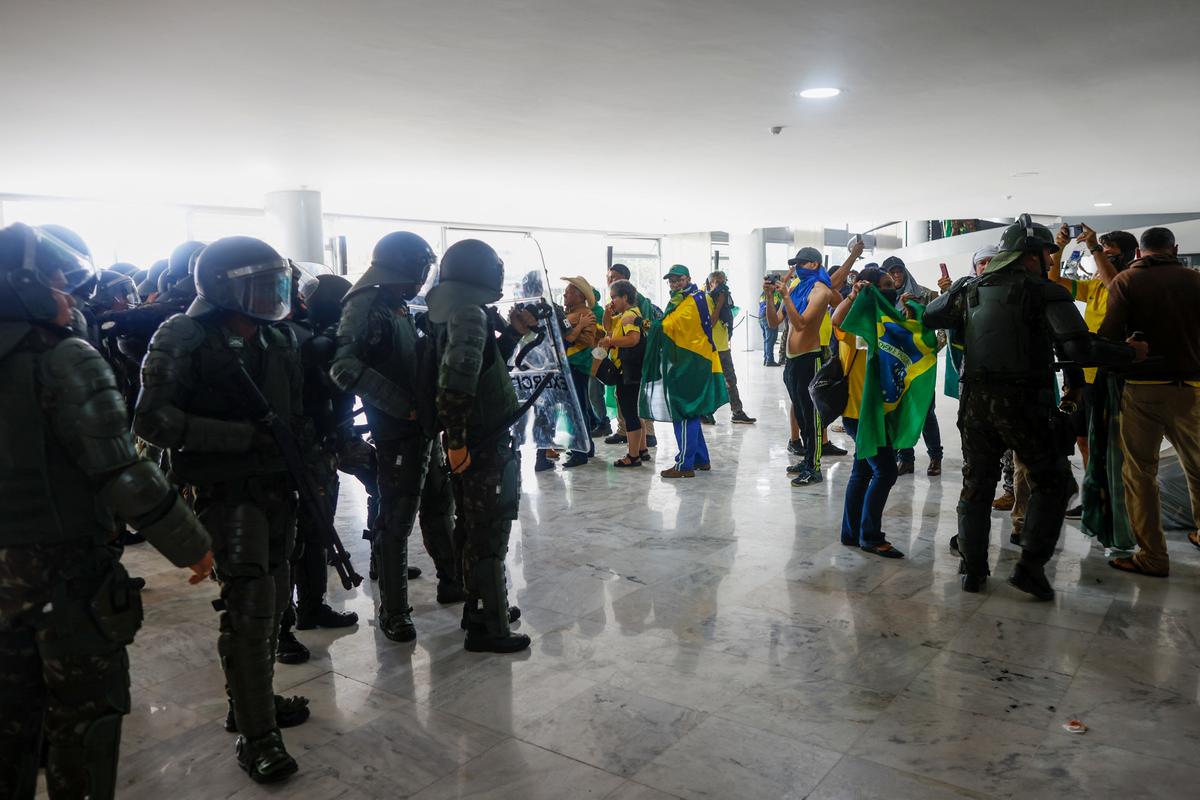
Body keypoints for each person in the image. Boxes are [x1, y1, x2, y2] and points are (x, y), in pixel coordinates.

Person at [0, 223, 214, 800]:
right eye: (56, 281)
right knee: (85, 718)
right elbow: (121, 469)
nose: (68, 294)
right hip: (64, 569)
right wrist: (191, 542)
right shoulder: (63, 357)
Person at [134, 236, 311, 782]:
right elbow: (152, 420)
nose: (271, 298)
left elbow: (295, 412)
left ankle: (250, 700)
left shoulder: (278, 336)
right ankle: (257, 736)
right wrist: (240, 439)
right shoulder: (184, 335)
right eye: (259, 288)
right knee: (251, 606)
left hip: (278, 486)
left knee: (278, 597)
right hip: (227, 490)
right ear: (220, 288)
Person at [924, 215, 1143, 598]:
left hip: (976, 403)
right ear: (1033, 255)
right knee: (1053, 481)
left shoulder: (972, 287)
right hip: (1024, 402)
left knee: (977, 484)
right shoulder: (1044, 292)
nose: (1048, 258)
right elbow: (1078, 348)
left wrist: (962, 286)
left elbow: (932, 315)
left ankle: (973, 571)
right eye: (1046, 252)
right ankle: (1029, 568)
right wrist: (1130, 352)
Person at [329, 232, 466, 644]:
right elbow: (344, 367)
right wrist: (402, 406)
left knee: (440, 505)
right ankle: (393, 610)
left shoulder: (395, 303)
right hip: (396, 430)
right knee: (396, 521)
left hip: (420, 426)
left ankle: (452, 580)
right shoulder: (365, 303)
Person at [425, 239, 530, 653]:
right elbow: (456, 381)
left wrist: (514, 335)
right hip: (481, 440)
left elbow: (486, 364)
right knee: (488, 534)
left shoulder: (458, 308)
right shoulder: (469, 313)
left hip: (477, 436)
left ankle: (482, 608)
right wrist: (458, 441)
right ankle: (489, 626)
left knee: (472, 528)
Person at [1099, 227, 1200, 578]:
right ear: (1174, 248)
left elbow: (1108, 337)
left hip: (1142, 389)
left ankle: (1153, 557)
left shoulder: (1126, 282)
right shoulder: (1195, 280)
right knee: (1198, 467)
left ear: (1140, 253)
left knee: (1140, 474)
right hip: (1191, 388)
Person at [275, 273, 359, 666]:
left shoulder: (309, 335)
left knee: (315, 534)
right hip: (287, 453)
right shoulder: (289, 338)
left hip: (316, 449)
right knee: (285, 542)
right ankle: (281, 627)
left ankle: (311, 607)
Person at [1049, 225, 1137, 518]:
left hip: (1116, 376)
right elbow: (1054, 281)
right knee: (1085, 440)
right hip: (1086, 377)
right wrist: (1059, 246)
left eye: (1110, 255)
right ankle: (1094, 497)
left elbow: (1115, 285)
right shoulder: (1094, 286)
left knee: (1114, 445)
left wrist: (1096, 247)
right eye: (1102, 254)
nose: (1102, 260)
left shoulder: (1128, 283)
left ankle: (1119, 500)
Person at [832, 269, 905, 558]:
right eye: (886, 285)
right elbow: (835, 320)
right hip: (859, 412)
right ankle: (871, 536)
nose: (892, 288)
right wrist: (852, 296)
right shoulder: (857, 323)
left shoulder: (882, 323)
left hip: (871, 409)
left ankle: (851, 533)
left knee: (862, 471)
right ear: (871, 290)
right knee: (886, 471)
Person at [641, 264, 728, 478]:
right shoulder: (681, 299)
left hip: (695, 363)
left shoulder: (694, 300)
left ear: (688, 278)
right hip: (688, 362)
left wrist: (640, 322)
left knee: (685, 412)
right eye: (671, 281)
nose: (675, 284)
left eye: (679, 280)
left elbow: (670, 326)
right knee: (691, 411)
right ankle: (700, 459)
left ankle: (684, 465)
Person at [765, 247, 837, 486]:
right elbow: (775, 321)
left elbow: (803, 323)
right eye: (795, 264)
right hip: (792, 361)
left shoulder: (821, 290)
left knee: (812, 416)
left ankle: (814, 467)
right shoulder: (796, 286)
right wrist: (769, 296)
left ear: (814, 265)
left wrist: (785, 296)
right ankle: (807, 460)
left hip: (810, 358)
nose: (796, 268)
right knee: (802, 415)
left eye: (801, 263)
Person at [883, 256, 944, 477]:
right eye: (891, 272)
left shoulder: (925, 294)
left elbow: (941, 329)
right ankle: (905, 459)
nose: (896, 276)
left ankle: (936, 457)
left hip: (920, 366)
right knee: (900, 409)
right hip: (895, 363)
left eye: (899, 271)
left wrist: (929, 353)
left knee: (926, 410)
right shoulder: (884, 298)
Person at [603, 263, 658, 447]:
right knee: (624, 400)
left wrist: (611, 342)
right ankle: (624, 430)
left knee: (636, 401)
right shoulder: (617, 305)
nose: (611, 280)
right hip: (623, 362)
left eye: (615, 277)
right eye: (609, 277)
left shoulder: (637, 303)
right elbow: (609, 327)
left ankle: (646, 436)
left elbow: (637, 335)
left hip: (636, 360)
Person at [598, 279, 647, 466]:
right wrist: (607, 312)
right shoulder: (626, 314)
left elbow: (633, 339)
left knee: (629, 413)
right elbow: (607, 327)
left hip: (628, 370)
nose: (612, 302)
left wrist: (611, 342)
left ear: (624, 297)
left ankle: (632, 456)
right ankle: (641, 449)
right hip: (630, 369)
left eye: (614, 298)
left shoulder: (629, 316)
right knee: (634, 410)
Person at [705, 270, 755, 424]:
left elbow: (728, 319)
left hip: (723, 346)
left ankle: (737, 411)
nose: (721, 286)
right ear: (710, 284)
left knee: (730, 380)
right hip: (711, 347)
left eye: (724, 282)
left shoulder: (725, 298)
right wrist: (719, 304)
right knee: (710, 381)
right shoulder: (707, 299)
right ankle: (706, 412)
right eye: (718, 283)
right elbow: (710, 323)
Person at [560, 276, 599, 467]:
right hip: (575, 367)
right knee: (579, 407)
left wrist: (571, 335)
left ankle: (580, 452)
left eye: (569, 291)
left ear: (579, 295)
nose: (565, 294)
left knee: (576, 409)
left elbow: (587, 341)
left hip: (576, 367)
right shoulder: (575, 314)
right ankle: (586, 446)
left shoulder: (581, 315)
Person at [758, 282, 781, 366]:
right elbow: (776, 305)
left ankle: (766, 358)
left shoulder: (762, 293)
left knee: (766, 340)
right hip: (769, 318)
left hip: (761, 317)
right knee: (770, 340)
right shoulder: (775, 294)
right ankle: (769, 360)